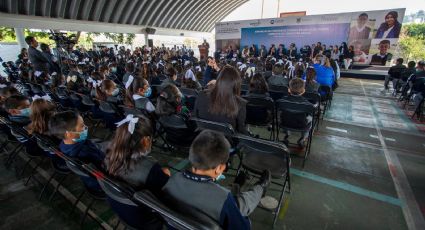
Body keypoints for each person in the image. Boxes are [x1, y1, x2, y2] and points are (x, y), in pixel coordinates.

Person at [162, 130, 271, 230]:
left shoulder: (171, 181)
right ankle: (261, 187)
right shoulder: (223, 198)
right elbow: (243, 227)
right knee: (241, 204)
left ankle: (237, 186)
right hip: (225, 206)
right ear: (219, 168)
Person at [48, 111, 105, 191]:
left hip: (90, 181)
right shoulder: (85, 152)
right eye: (82, 126)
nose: (86, 127)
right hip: (102, 185)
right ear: (68, 134)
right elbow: (105, 166)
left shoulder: (63, 144)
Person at [194, 65, 248, 134]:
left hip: (202, 139)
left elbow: (195, 117)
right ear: (236, 84)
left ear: (219, 80)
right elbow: (241, 130)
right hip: (225, 143)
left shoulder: (201, 94)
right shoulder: (240, 104)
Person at [281, 78, 313, 147]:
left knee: (283, 115)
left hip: (285, 123)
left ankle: (287, 134)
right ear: (303, 91)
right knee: (311, 118)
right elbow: (310, 113)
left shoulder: (282, 101)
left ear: (289, 89)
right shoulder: (307, 104)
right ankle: (303, 139)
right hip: (301, 125)